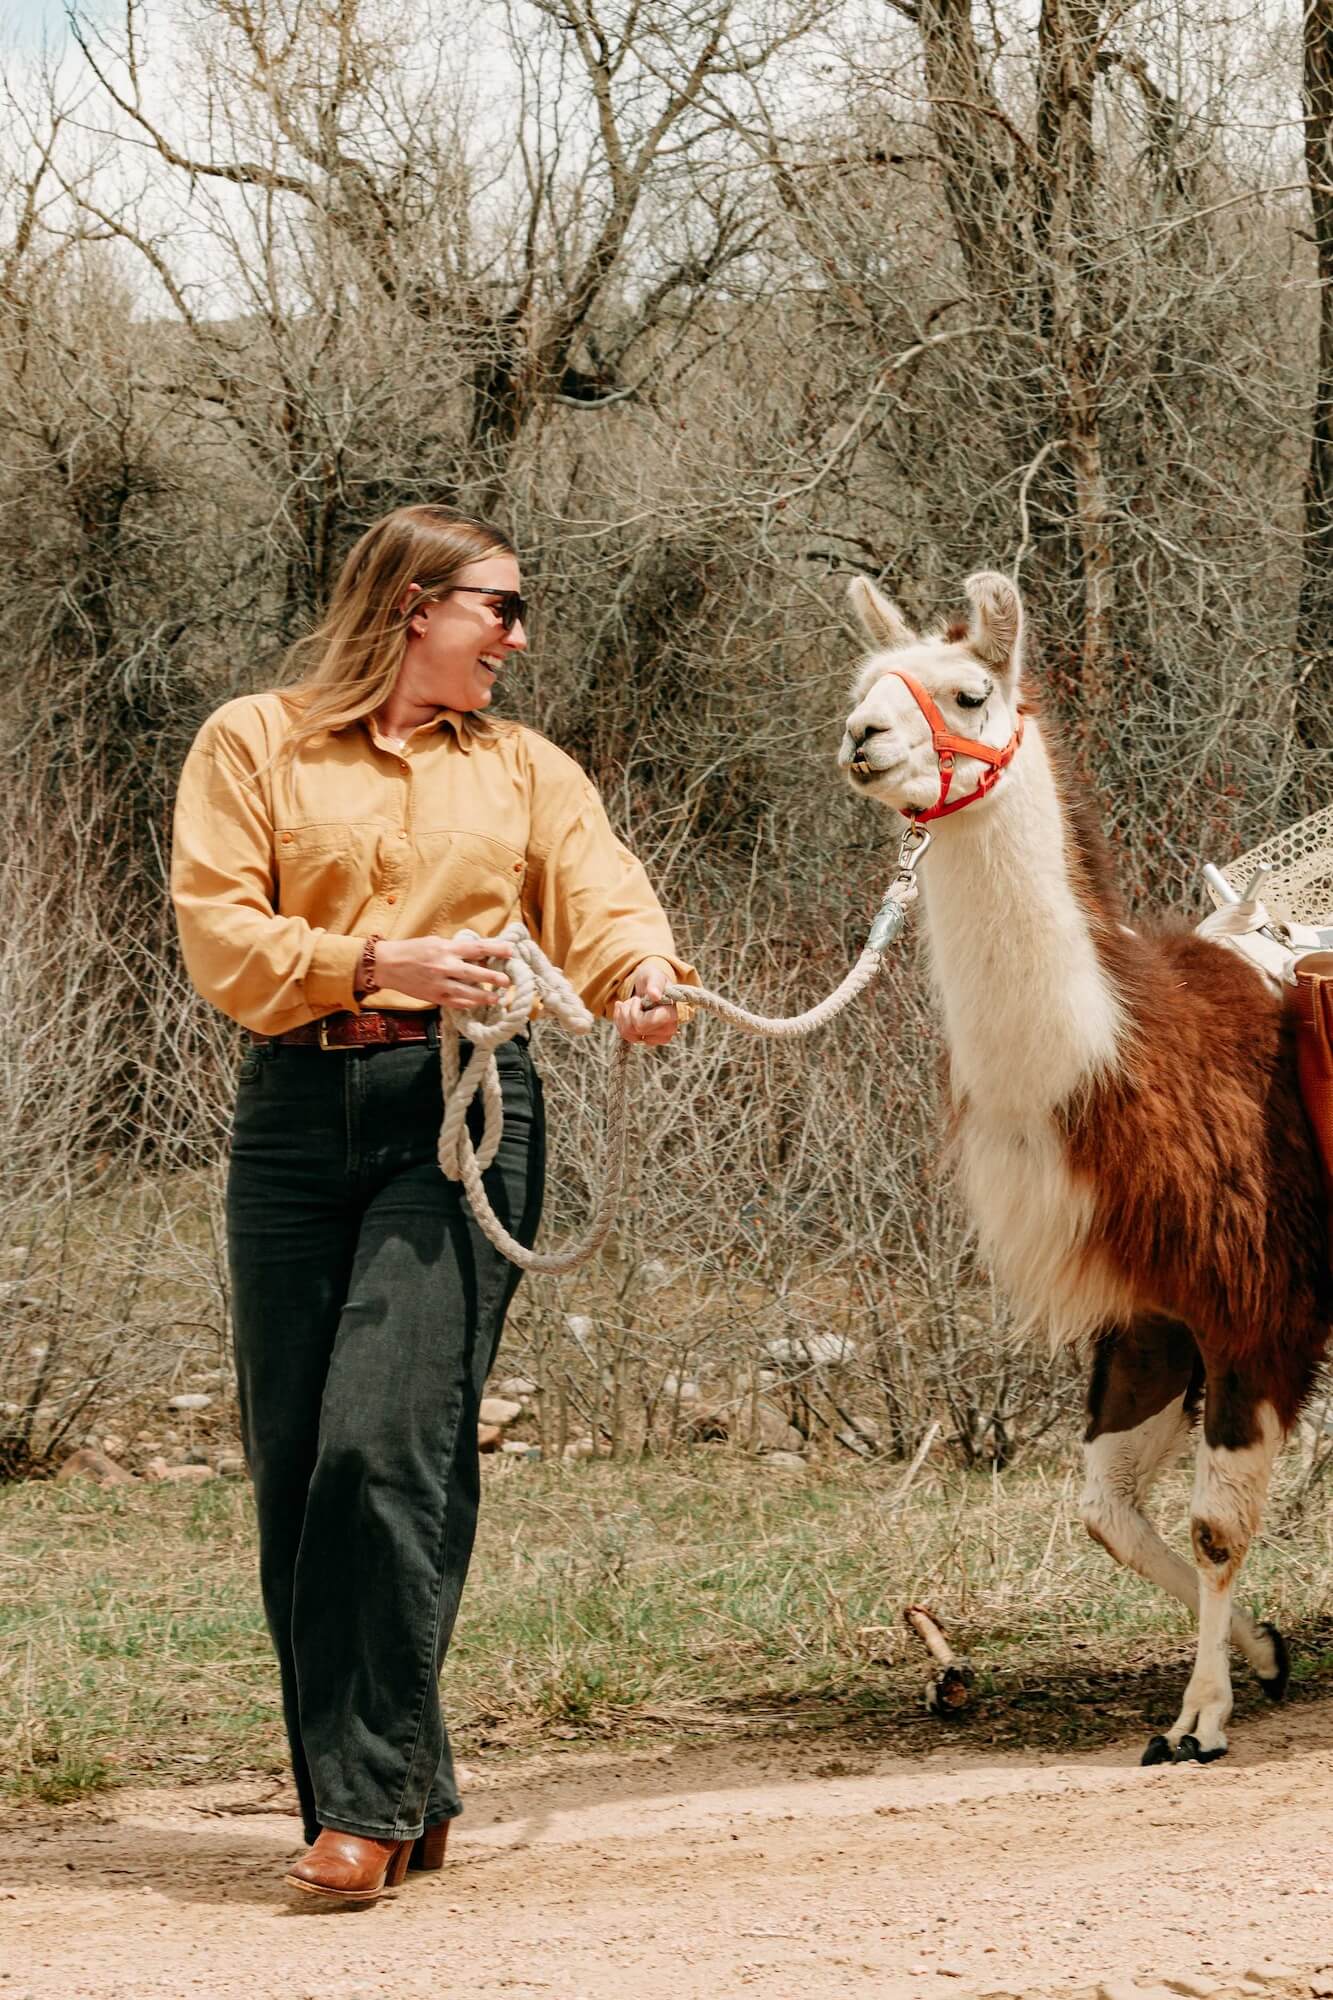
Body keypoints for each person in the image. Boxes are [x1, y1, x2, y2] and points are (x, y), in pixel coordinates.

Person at [171, 504, 696, 1904]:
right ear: (415, 603)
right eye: (501, 609)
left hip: (462, 1121)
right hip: (291, 1115)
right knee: (297, 1472)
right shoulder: (251, 742)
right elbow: (222, 932)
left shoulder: (523, 768)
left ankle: (362, 1811)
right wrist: (376, 957)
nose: (519, 638)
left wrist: (638, 979)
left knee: (381, 1445)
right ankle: (411, 1784)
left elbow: (603, 899)